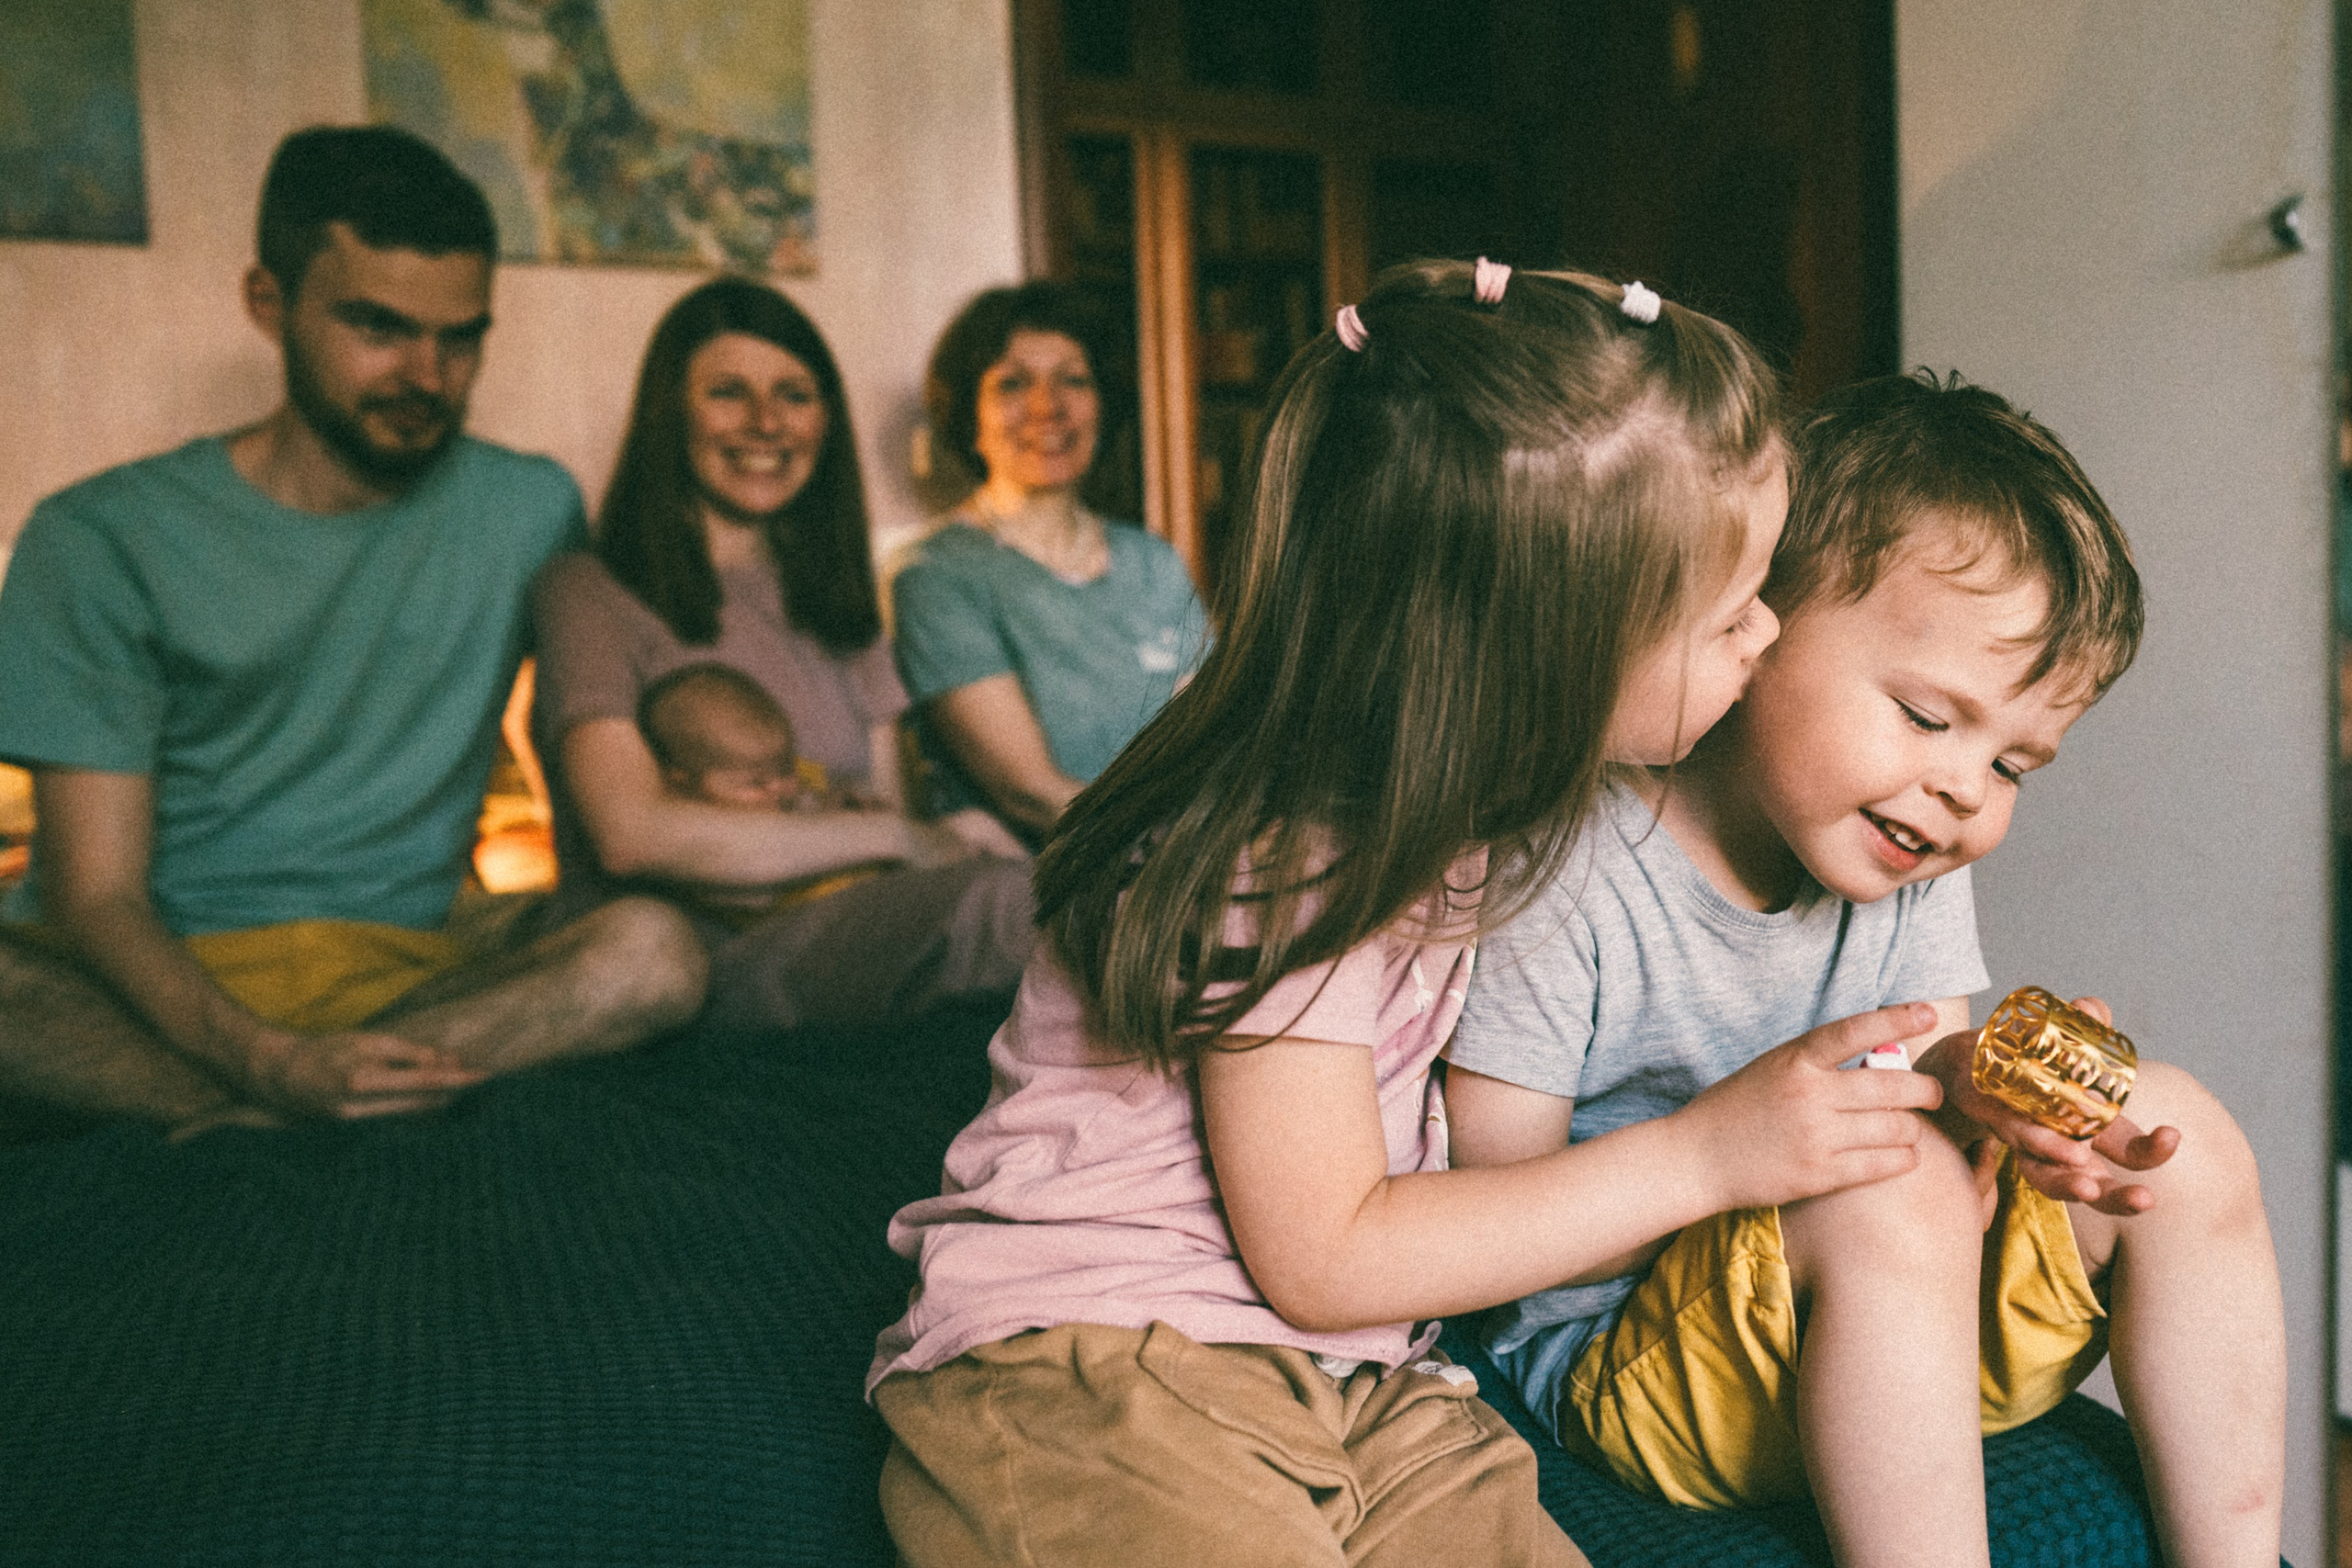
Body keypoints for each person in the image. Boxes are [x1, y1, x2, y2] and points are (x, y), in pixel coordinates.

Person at [864, 260, 1943, 1568]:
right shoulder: (1287, 851)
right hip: (1099, 1361)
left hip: (1371, 1381)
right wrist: (1710, 1154)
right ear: (1538, 642)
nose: (1768, 636)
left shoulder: (1473, 814)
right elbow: (1325, 1249)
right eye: (1732, 612)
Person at [1444, 372, 2285, 1567]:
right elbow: (1486, 1234)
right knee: (1893, 1186)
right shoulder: (1568, 869)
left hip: (1897, 1320)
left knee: (2179, 1123)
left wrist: (1991, 1091)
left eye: (2015, 765)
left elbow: (1924, 1089)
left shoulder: (1911, 853)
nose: (1964, 791)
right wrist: (1735, 1151)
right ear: (1756, 628)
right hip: (1645, 1374)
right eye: (1930, 717)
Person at [0, 126, 707, 1138]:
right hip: (140, 982)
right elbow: (95, 894)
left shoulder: (530, 508)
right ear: (268, 303)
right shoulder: (97, 537)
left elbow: (614, 721)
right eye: (377, 327)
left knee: (654, 954)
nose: (425, 372)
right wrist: (270, 1060)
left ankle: (291, 1099)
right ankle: (294, 1100)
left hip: (402, 973)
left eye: (460, 337)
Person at [530, 276, 1034, 1036]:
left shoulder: (838, 602)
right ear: (671, 414)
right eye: (728, 392)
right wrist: (902, 838)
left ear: (825, 419)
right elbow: (630, 832)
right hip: (687, 960)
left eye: (795, 394)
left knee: (1056, 889)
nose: (766, 423)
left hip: (842, 928)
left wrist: (954, 836)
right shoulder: (588, 589)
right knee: (1014, 910)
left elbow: (887, 804)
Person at [891, 281, 1206, 843]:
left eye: (1074, 380)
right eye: (1012, 384)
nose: (1047, 407)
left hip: (1181, 858)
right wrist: (1189, 858)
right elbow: (1031, 792)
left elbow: (1207, 739)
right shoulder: (935, 576)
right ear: (970, 416)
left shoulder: (1152, 560)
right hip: (1046, 883)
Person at [638, 660, 872, 816]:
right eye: (756, 783)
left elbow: (822, 777)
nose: (779, 789)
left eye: (784, 770)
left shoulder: (793, 769)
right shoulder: (687, 821)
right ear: (682, 784)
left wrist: (843, 797)